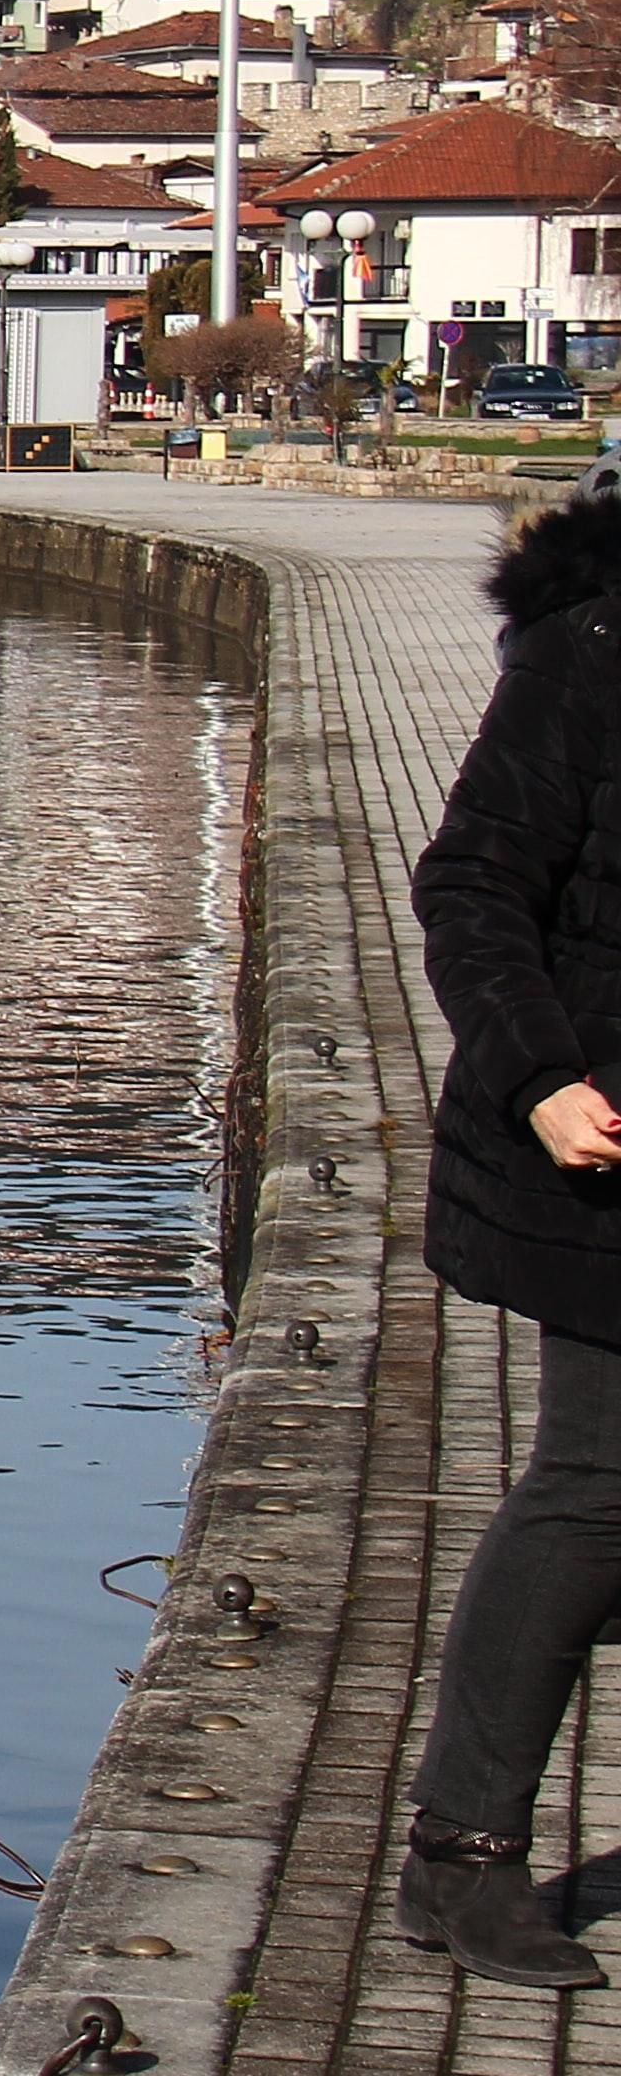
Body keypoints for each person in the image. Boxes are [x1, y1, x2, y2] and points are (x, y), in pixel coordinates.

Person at [400, 476, 621, 1987]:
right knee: (593, 1489)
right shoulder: (592, 650)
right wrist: (543, 1080)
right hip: (598, 1137)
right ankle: (463, 1858)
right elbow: (473, 881)